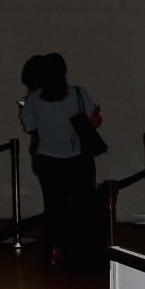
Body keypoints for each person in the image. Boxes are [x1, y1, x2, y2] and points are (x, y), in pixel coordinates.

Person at [19, 53, 102, 267]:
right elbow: (95, 121)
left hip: (47, 159)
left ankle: (56, 248)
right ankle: (83, 248)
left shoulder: (35, 97)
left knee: (55, 205)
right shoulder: (78, 93)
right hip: (78, 158)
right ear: (64, 71)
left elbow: (29, 126)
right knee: (83, 202)